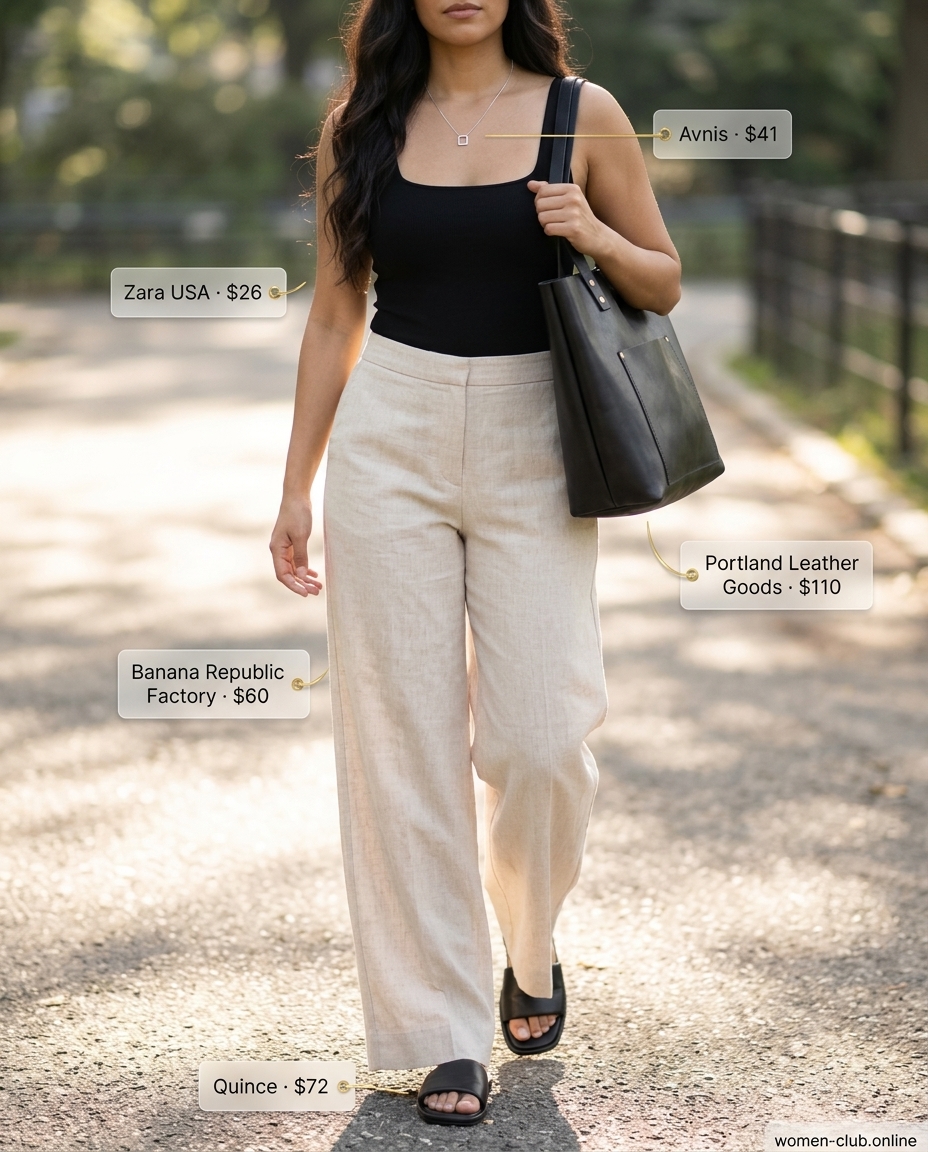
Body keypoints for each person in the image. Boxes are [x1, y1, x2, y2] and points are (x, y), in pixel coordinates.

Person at [269, 0, 681, 1127]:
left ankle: (531, 941)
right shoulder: (364, 124)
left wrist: (590, 231)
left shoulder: (579, 115)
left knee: (539, 736)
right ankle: (439, 1030)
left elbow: (662, 278)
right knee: (400, 740)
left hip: (534, 436)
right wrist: (297, 487)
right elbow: (334, 311)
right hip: (388, 432)